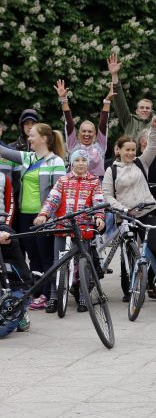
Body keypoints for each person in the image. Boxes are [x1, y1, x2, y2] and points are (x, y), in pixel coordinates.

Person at [0, 123, 67, 311]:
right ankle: (37, 293)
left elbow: (58, 194)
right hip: (25, 216)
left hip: (44, 218)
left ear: (44, 138)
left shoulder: (56, 162)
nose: (29, 139)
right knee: (32, 257)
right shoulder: (27, 158)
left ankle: (49, 294)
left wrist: (47, 215)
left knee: (46, 257)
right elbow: (4, 152)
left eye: (32, 136)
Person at [34, 149, 105, 313]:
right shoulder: (63, 181)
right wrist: (43, 215)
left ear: (88, 163)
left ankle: (83, 297)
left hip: (83, 229)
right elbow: (52, 200)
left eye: (84, 160)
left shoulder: (94, 182)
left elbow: (98, 201)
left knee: (83, 264)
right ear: (72, 163)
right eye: (77, 160)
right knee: (57, 263)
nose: (80, 163)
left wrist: (99, 217)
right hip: (63, 228)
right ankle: (54, 297)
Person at [102, 118, 156, 302]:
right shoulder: (111, 170)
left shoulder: (141, 162)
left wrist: (155, 127)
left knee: (154, 249)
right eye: (126, 149)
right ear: (118, 150)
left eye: (132, 149)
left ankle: (154, 284)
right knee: (128, 252)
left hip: (146, 212)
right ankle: (129, 289)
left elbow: (152, 145)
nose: (130, 153)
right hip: (125, 216)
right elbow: (107, 195)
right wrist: (122, 208)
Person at [108, 52, 156, 141]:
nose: (144, 110)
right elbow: (120, 102)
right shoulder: (129, 121)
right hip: (131, 154)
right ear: (136, 111)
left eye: (147, 108)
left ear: (151, 111)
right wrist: (114, 75)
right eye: (142, 107)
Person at [56, 79, 111, 179]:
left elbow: (103, 124)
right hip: (76, 186)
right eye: (84, 131)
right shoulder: (73, 145)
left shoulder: (100, 146)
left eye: (90, 131)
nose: (86, 134)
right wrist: (64, 100)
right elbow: (69, 123)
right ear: (79, 133)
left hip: (97, 187)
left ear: (94, 134)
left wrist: (107, 101)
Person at [0, 224, 31, 336]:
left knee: (2, 330)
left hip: (16, 288)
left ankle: (22, 313)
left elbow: (10, 239)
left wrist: (5, 237)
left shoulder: (4, 229)